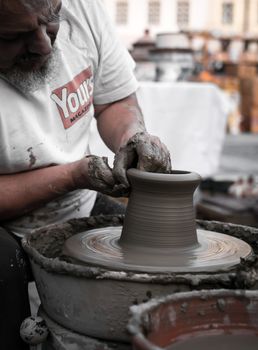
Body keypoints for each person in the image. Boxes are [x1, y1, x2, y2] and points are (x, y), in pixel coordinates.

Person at [0, 0, 171, 348]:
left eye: (50, 22)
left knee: (163, 252)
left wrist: (132, 136)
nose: (44, 45)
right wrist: (73, 175)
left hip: (79, 199)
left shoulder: (82, 7)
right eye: (13, 36)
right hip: (6, 224)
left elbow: (113, 102)